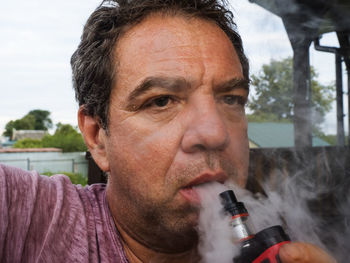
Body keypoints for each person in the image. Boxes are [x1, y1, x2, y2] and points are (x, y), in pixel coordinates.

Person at [0, 0, 336, 262]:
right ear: (97, 136)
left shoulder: (285, 245)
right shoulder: (31, 219)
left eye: (231, 99)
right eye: (161, 101)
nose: (215, 133)